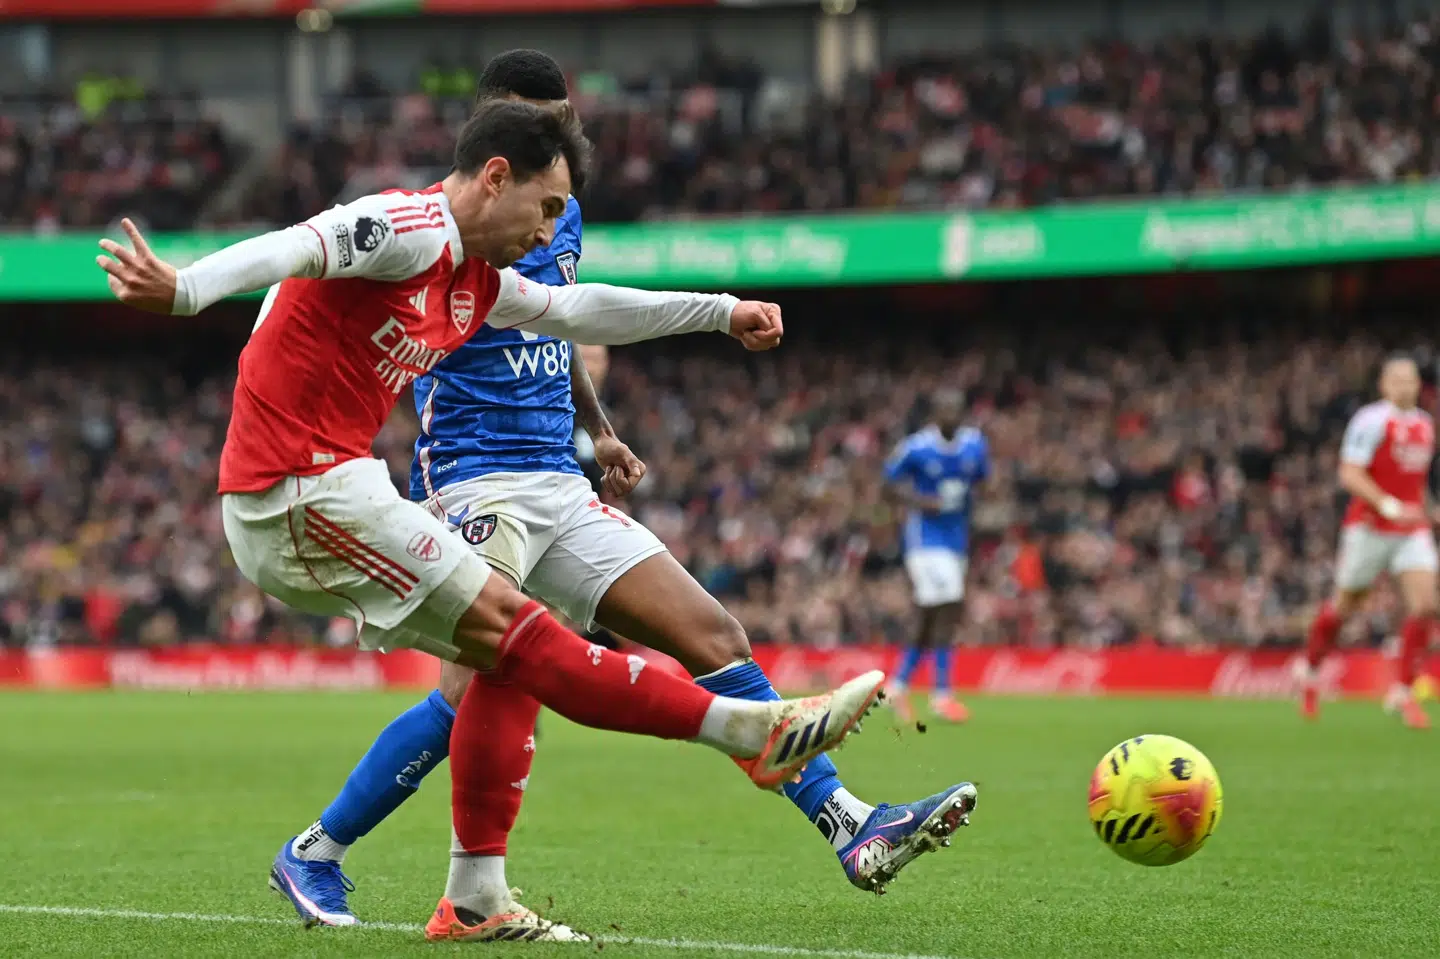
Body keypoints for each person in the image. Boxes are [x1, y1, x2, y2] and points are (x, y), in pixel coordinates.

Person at [95, 95, 887, 925]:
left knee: (511, 659)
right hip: (291, 493)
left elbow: (583, 311)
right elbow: (295, 246)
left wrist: (721, 312)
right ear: (496, 175)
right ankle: (753, 731)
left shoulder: (469, 283)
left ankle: (469, 894)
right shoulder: (406, 225)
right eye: (545, 208)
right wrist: (183, 290)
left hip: (348, 482)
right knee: (520, 633)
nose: (550, 234)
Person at [261, 52, 978, 941]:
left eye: (568, 126)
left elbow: (560, 319)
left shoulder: (557, 212)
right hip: (473, 479)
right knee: (478, 682)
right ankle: (339, 854)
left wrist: (596, 429)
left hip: (556, 476)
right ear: (494, 142)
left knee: (711, 633)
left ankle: (850, 825)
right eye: (542, 129)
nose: (563, 146)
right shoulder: (439, 228)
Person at [1298, 354, 1436, 729]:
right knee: (1344, 607)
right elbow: (1350, 474)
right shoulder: (1371, 420)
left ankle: (1404, 692)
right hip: (1370, 527)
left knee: (1426, 605)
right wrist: (1389, 505)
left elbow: (1416, 480)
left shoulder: (1425, 425)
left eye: (1412, 380)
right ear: (1384, 384)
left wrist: (1430, 511)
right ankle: (1310, 672)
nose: (1407, 386)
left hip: (1410, 529)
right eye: (1399, 380)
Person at [883, 390, 990, 724]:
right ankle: (941, 694)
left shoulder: (975, 444)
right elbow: (888, 485)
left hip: (956, 542)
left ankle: (897, 686)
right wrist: (919, 501)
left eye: (957, 410)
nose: (952, 416)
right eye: (945, 409)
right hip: (925, 542)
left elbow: (983, 481)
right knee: (946, 611)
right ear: (935, 413)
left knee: (932, 617)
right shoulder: (916, 447)